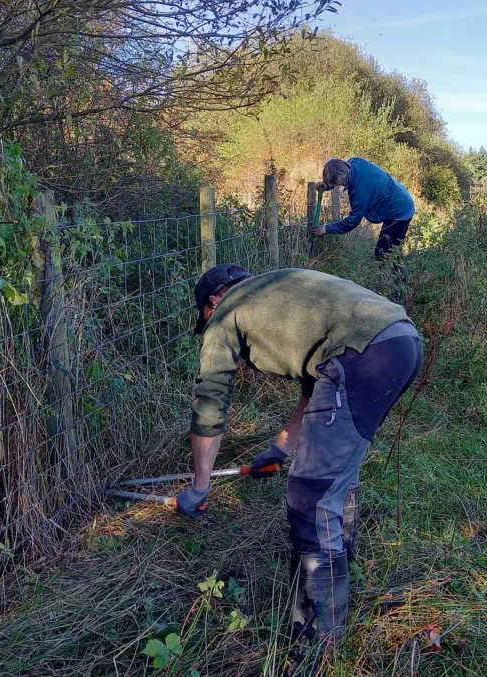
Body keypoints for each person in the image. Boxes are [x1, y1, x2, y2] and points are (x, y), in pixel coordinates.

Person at [175, 263, 423, 672]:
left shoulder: (226, 313)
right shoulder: (282, 290)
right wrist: (277, 450)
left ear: (213, 301)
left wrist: (199, 489)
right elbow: (317, 391)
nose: (207, 325)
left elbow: (210, 404)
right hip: (401, 341)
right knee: (334, 474)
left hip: (363, 356)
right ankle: (342, 572)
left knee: (310, 500)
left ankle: (316, 647)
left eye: (203, 317)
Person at [310, 157, 415, 278]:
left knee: (388, 253)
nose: (337, 186)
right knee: (382, 251)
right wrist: (327, 185)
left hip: (400, 210)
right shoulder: (354, 162)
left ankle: (399, 288)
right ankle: (385, 280)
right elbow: (341, 177)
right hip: (398, 197)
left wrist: (326, 229)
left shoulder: (359, 191)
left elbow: (352, 221)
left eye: (336, 184)